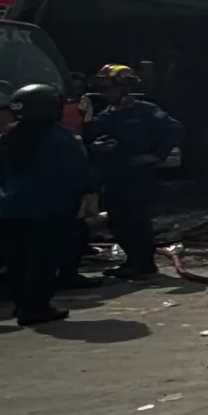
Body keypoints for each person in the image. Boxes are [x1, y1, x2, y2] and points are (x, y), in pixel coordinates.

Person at [0, 83, 97, 326]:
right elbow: (78, 171)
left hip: (10, 207)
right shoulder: (61, 138)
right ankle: (37, 307)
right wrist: (89, 193)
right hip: (50, 208)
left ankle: (20, 305)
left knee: (17, 260)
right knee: (44, 260)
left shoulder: (5, 137)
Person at [82, 64, 182, 279]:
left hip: (138, 175)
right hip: (113, 175)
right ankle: (132, 261)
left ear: (125, 88)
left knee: (136, 219)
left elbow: (173, 129)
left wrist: (157, 155)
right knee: (118, 220)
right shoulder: (104, 115)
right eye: (103, 89)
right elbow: (90, 139)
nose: (105, 93)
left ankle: (143, 263)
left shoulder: (145, 110)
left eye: (110, 88)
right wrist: (96, 146)